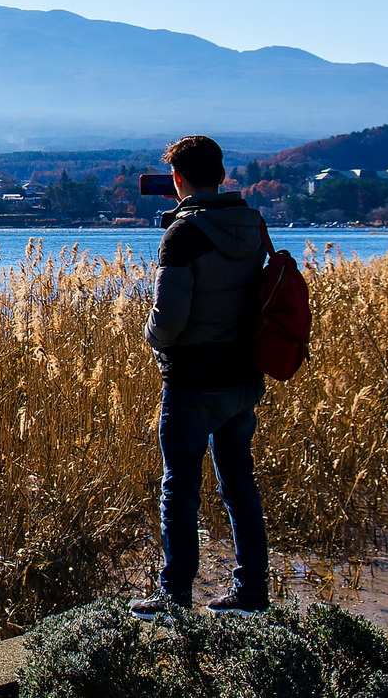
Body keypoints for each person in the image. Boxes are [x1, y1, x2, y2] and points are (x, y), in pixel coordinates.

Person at [130, 135, 272, 617]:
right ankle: (251, 590)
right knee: (239, 485)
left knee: (180, 488)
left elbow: (167, 323)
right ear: (222, 174)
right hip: (243, 375)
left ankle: (174, 595)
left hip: (192, 380)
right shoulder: (251, 223)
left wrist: (150, 337)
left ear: (176, 179)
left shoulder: (183, 234)